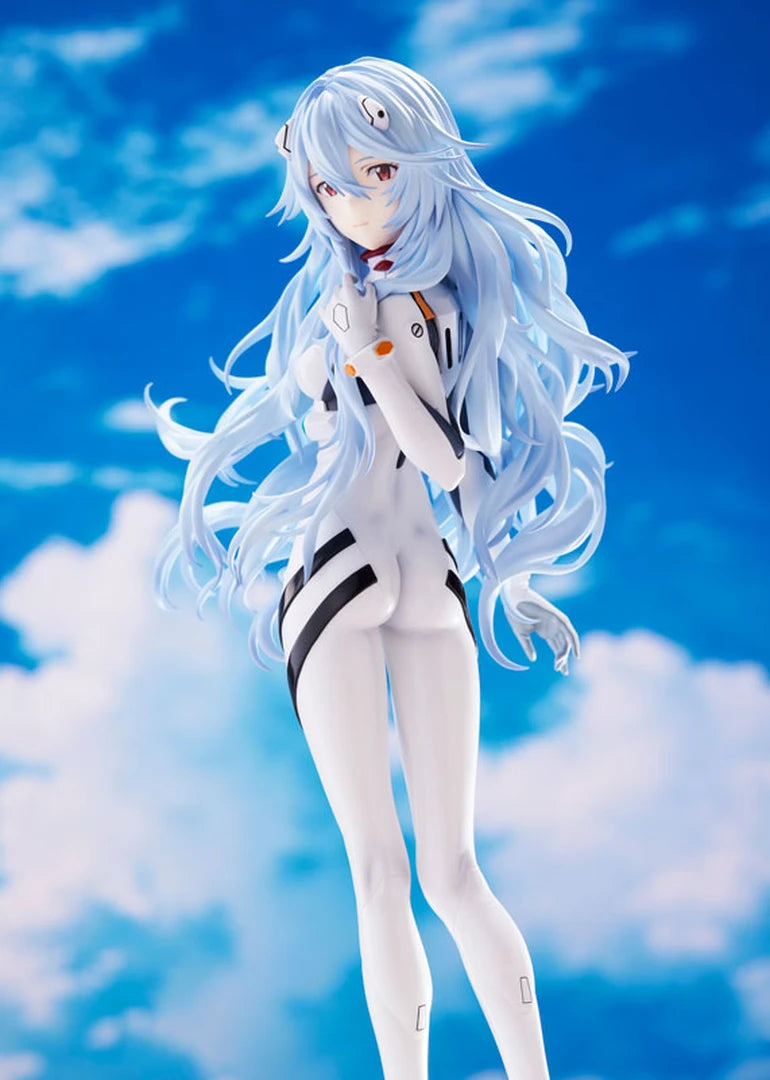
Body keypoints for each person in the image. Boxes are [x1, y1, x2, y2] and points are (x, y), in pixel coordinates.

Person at [146, 56, 629, 1080]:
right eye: (328, 186)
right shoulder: (422, 303)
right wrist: (515, 585)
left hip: (347, 571)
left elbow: (446, 459)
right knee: (441, 873)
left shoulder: (399, 309)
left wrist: (362, 354)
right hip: (417, 579)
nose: (352, 203)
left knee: (394, 872)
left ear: (421, 162)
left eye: (374, 172)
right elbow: (460, 473)